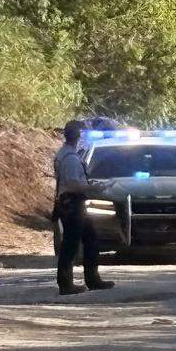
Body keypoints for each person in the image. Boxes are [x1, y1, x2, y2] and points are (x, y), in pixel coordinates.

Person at [53, 120, 115, 296]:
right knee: (71, 244)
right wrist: (94, 188)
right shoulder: (71, 158)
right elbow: (73, 184)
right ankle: (66, 284)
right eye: (85, 134)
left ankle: (92, 279)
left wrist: (88, 185)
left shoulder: (66, 154)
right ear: (79, 136)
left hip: (71, 203)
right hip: (72, 204)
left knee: (90, 238)